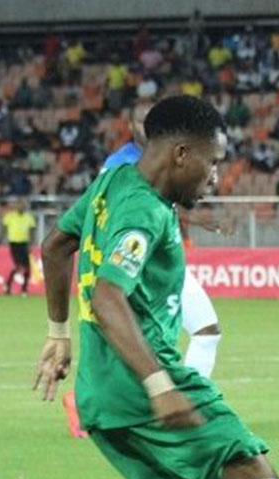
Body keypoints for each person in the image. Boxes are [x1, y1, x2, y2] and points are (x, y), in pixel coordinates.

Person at [33, 96, 279, 479]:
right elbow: (106, 296)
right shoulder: (146, 211)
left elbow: (54, 246)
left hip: (101, 396)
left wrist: (58, 333)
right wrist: (159, 384)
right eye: (213, 161)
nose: (216, 177)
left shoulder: (110, 182)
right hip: (145, 390)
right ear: (182, 154)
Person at [61, 101, 225, 438]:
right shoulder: (126, 163)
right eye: (136, 119)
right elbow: (132, 208)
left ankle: (172, 399)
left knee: (202, 329)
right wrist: (194, 217)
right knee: (194, 329)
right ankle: (168, 399)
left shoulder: (142, 162)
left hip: (153, 257)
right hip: (140, 263)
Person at [0, 200, 35, 296]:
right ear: (16, 207)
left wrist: (31, 244)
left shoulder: (29, 218)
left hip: (24, 244)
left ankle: (24, 289)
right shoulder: (10, 216)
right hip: (14, 244)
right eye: (19, 205)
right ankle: (8, 286)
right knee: (18, 266)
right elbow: (3, 229)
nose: (20, 207)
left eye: (22, 205)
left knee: (28, 268)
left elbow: (32, 232)